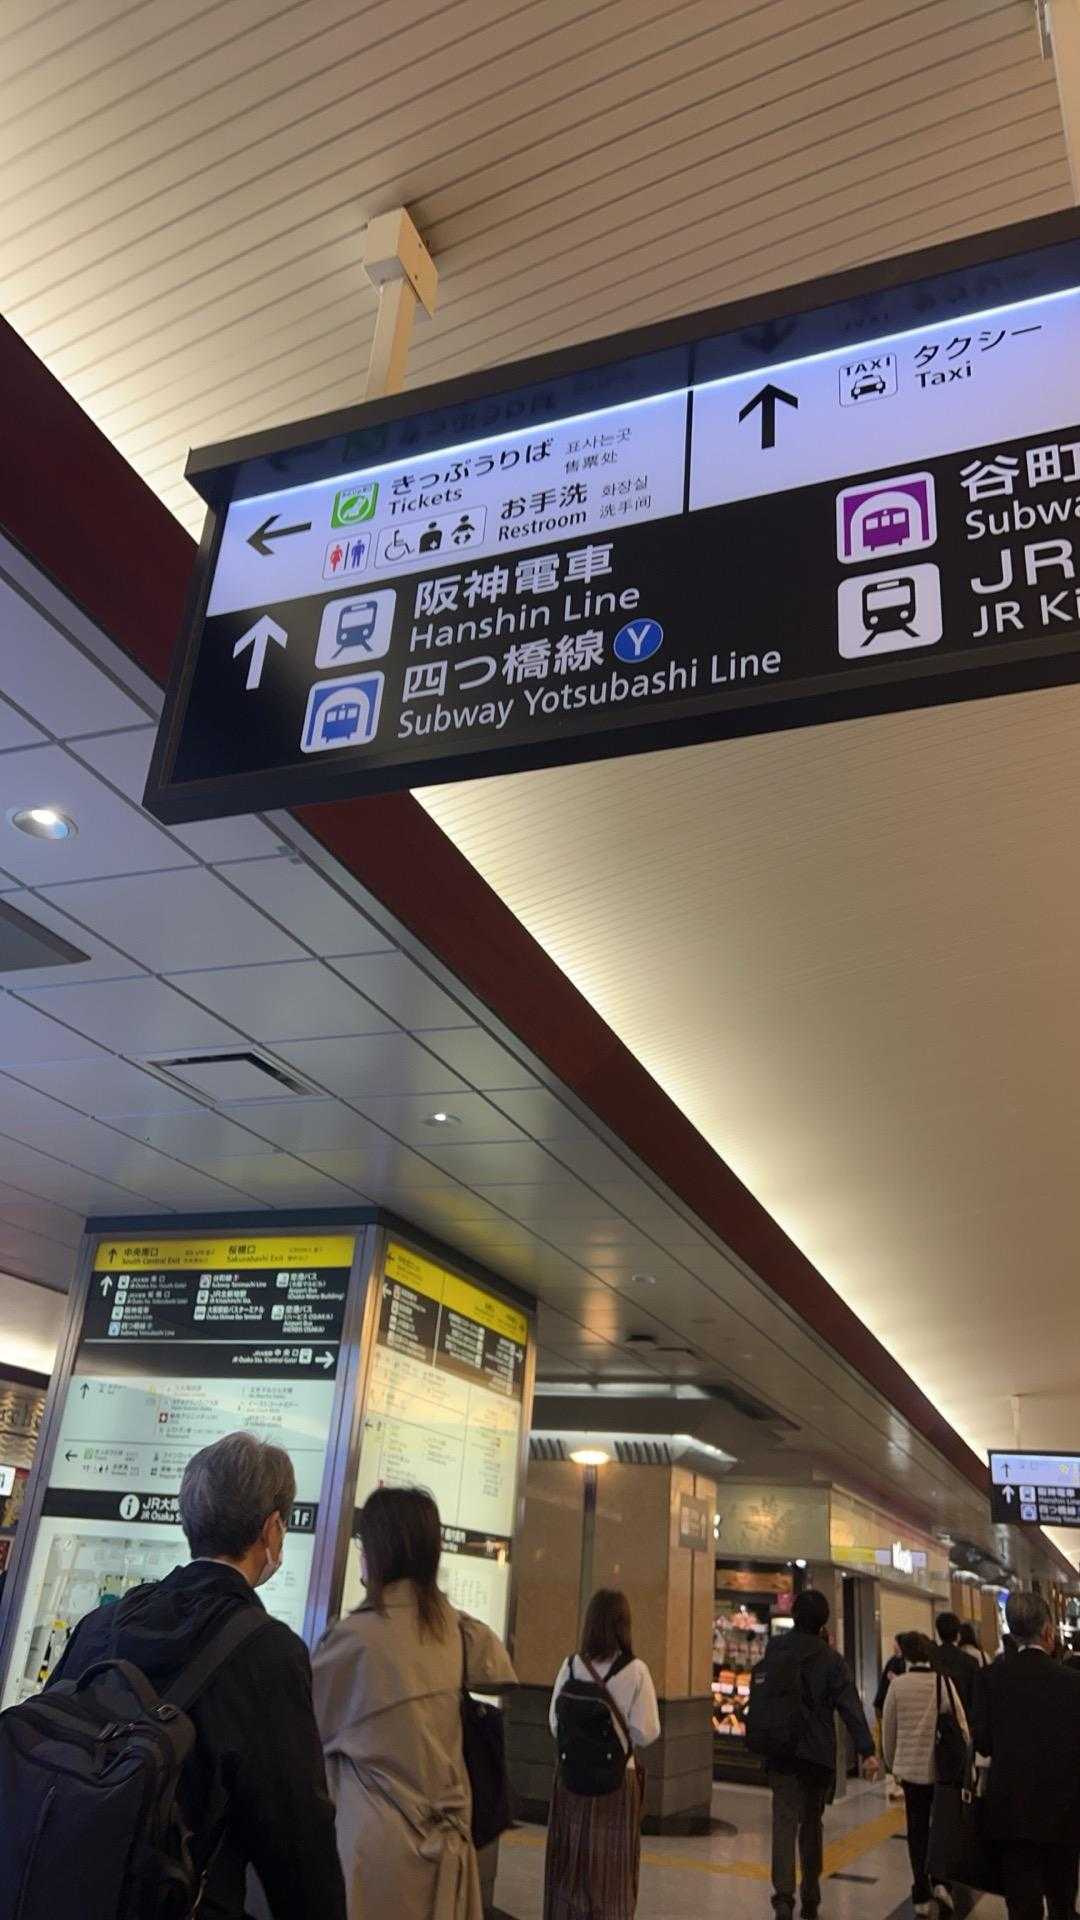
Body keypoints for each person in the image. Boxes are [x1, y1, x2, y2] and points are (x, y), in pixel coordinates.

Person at [47, 1431, 345, 1920]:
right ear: (272, 1530)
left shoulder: (101, 1624)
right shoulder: (267, 1652)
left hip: (60, 1890)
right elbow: (297, 1838)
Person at [313, 1486, 516, 1920]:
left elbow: (306, 1733)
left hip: (375, 1850)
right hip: (448, 1846)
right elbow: (500, 1669)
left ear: (376, 1552)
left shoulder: (356, 1641)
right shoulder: (458, 1633)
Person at [761, 1589, 879, 1920]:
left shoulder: (775, 1649)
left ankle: (783, 1899)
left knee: (783, 1822)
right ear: (823, 1621)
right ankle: (810, 1895)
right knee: (812, 1824)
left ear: (794, 1615)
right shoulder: (831, 1660)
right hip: (816, 1754)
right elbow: (850, 1706)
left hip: (781, 1750)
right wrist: (867, 1750)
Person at [545, 1588, 660, 1920]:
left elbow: (554, 1723)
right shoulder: (636, 1671)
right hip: (617, 1785)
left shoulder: (570, 1666)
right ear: (624, 1625)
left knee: (568, 1864)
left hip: (570, 1782)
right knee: (611, 1873)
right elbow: (647, 1731)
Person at [972, 1590, 1080, 1920]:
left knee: (1022, 1906)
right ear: (1047, 1631)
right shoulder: (1072, 1682)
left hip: (1010, 1809)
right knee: (1062, 1901)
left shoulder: (989, 1678)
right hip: (1064, 1809)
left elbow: (983, 1743)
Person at [882, 1631, 969, 1916]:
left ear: (906, 1656)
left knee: (917, 1831)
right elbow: (962, 1728)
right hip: (941, 1771)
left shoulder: (898, 1686)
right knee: (941, 1829)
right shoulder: (942, 1682)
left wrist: (892, 1764)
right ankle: (941, 1883)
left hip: (911, 1772)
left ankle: (920, 1893)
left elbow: (889, 1731)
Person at [935, 1612, 978, 1716]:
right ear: (958, 1633)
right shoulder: (970, 1661)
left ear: (938, 1633)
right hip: (964, 1716)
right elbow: (975, 1697)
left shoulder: (932, 1658)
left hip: (938, 1719)